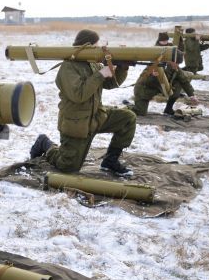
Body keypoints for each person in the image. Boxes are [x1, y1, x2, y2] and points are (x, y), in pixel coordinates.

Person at [30, 29, 136, 177]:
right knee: (67, 167)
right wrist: (100, 74)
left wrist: (122, 66)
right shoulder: (68, 67)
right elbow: (78, 95)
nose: (98, 49)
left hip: (96, 117)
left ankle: (110, 161)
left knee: (127, 118)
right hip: (77, 124)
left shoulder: (92, 64)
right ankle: (44, 143)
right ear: (87, 46)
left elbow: (111, 84)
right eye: (96, 46)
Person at [131, 60, 197, 116]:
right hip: (144, 91)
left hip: (159, 89)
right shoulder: (157, 65)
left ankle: (168, 109)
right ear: (170, 61)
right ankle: (128, 106)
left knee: (179, 83)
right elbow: (144, 80)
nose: (177, 65)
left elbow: (184, 81)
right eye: (176, 63)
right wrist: (152, 76)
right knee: (140, 113)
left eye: (178, 64)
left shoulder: (176, 69)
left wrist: (192, 95)